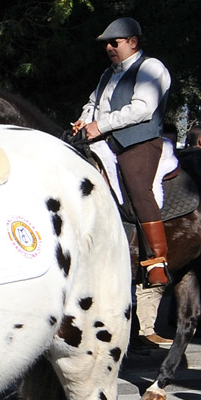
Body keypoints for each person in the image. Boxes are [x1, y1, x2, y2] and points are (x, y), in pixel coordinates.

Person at [71, 17, 172, 285]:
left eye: (114, 43)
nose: (109, 48)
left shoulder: (151, 67)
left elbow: (143, 108)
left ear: (132, 42)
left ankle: (156, 262)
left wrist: (100, 126)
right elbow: (93, 103)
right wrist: (84, 119)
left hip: (139, 142)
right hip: (104, 140)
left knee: (139, 190)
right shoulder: (108, 73)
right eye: (106, 44)